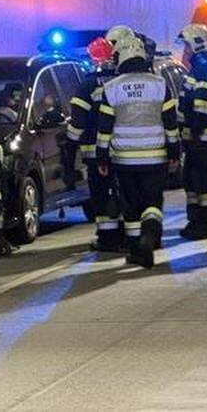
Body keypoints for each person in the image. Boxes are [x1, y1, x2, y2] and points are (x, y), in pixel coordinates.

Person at [97, 35, 179, 268]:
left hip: (124, 160)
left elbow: (104, 130)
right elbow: (171, 125)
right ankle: (149, 238)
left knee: (131, 205)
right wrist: (174, 151)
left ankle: (136, 251)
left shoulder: (111, 88)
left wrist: (102, 157)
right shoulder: (159, 84)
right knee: (153, 203)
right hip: (156, 158)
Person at [65, 37, 123, 252]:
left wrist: (69, 148)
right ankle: (127, 234)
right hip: (124, 150)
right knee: (124, 193)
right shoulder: (122, 81)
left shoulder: (87, 85)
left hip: (94, 153)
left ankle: (107, 238)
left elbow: (77, 124)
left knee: (100, 195)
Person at [176, 23, 207, 240]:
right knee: (192, 179)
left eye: (186, 44)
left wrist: (194, 128)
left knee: (201, 180)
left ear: (195, 43)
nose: (184, 50)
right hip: (197, 134)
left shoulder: (203, 64)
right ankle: (197, 220)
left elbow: (204, 102)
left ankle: (205, 223)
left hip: (201, 135)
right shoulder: (201, 64)